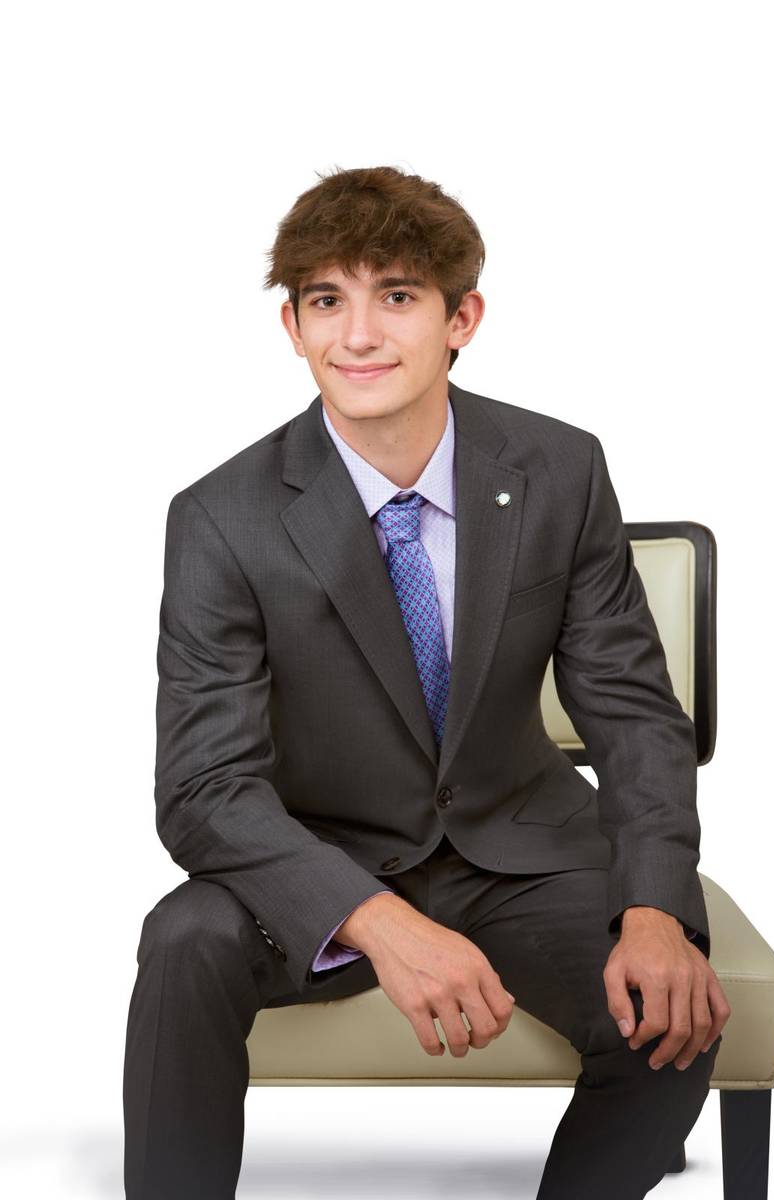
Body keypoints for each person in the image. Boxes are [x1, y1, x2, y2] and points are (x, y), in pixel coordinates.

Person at [123, 164, 730, 1199]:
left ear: (462, 317)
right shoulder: (220, 518)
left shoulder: (558, 467)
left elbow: (629, 713)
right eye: (326, 301)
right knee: (183, 941)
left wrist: (651, 910)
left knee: (670, 1002)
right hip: (322, 853)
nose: (356, 336)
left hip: (521, 845)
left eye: (395, 296)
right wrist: (376, 918)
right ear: (293, 327)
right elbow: (202, 789)